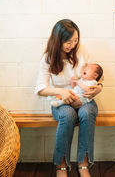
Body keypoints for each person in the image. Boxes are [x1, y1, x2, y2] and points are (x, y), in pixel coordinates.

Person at [35, 19, 103, 177]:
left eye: (76, 40)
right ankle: (61, 165)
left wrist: (98, 89)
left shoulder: (82, 51)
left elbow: (97, 77)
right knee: (68, 114)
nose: (72, 45)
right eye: (68, 41)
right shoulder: (48, 58)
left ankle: (83, 164)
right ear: (58, 39)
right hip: (62, 101)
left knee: (87, 113)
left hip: (85, 99)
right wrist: (62, 92)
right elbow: (40, 88)